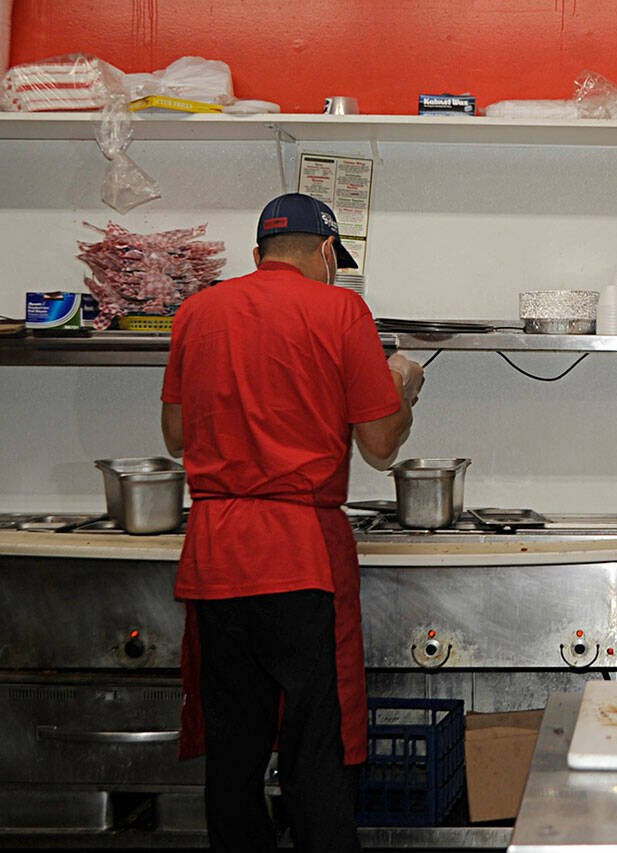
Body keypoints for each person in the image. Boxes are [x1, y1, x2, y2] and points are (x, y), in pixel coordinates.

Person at [160, 193, 425, 852]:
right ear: (327, 251)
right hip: (300, 556)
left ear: (258, 254)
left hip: (217, 555)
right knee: (316, 753)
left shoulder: (197, 311)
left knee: (234, 753)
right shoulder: (341, 310)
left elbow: (175, 434)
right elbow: (380, 444)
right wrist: (403, 386)